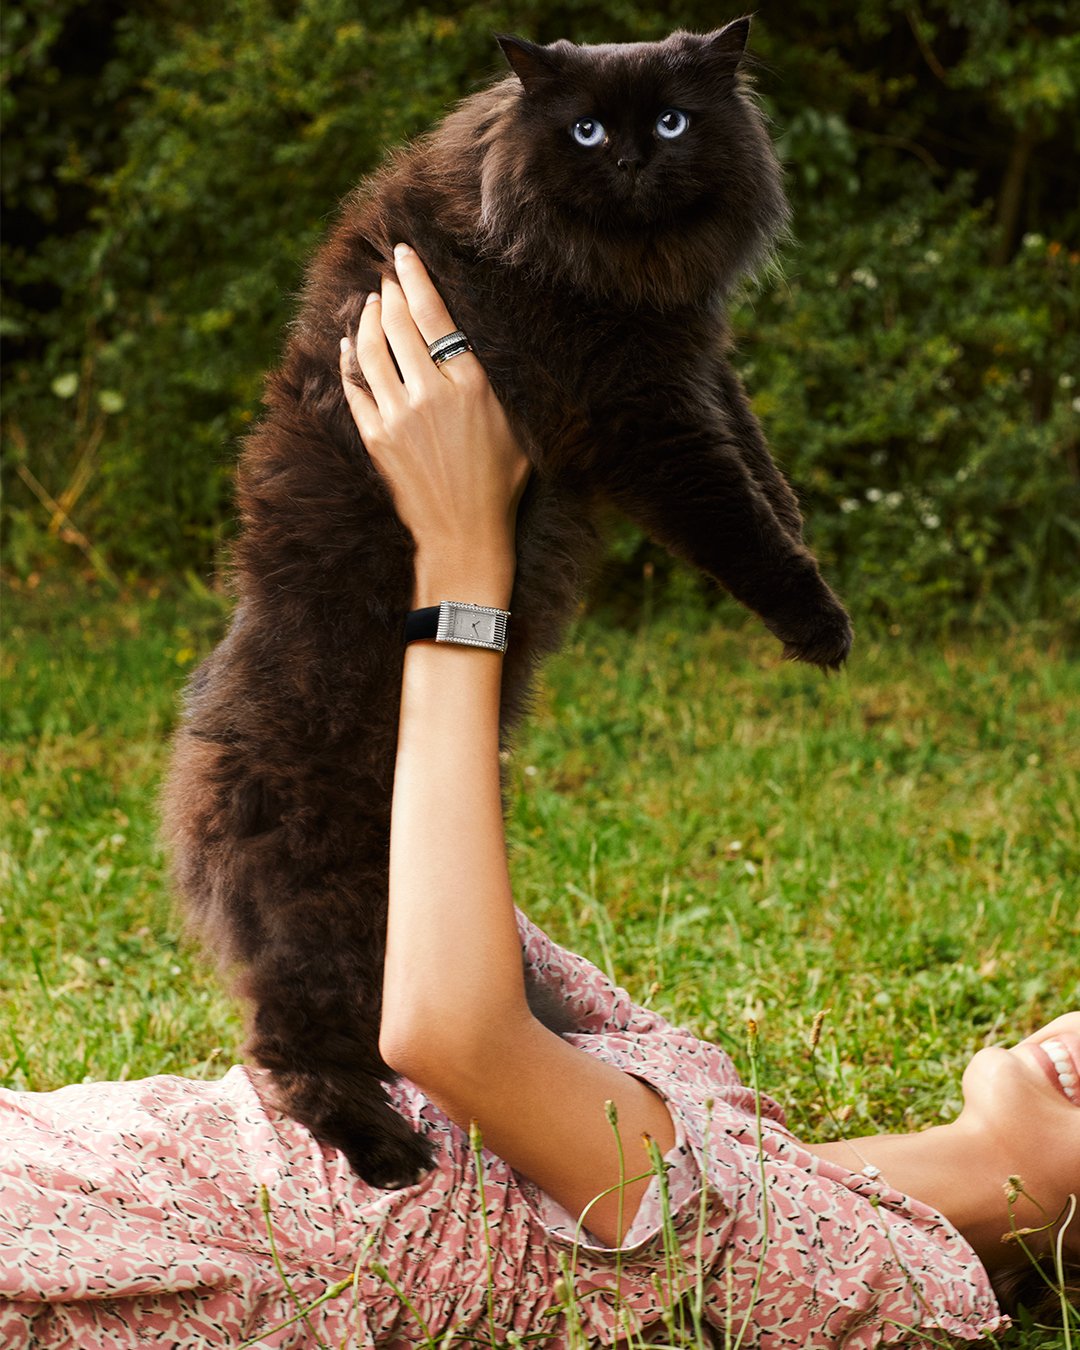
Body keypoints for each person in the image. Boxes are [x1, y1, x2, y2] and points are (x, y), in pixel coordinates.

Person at [1, 247, 1076, 1348]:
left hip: (110, 1255)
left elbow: (449, 1028)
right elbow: (413, 913)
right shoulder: (757, 1138)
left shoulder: (879, 1271)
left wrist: (465, 560)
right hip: (88, 1152)